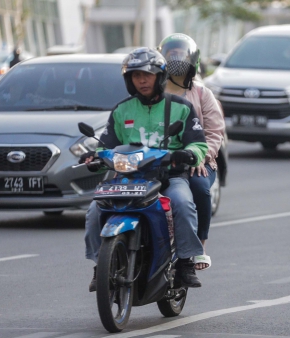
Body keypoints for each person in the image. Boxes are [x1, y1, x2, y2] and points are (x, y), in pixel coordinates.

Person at [81, 47, 208, 291]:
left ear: (160, 77)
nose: (141, 80)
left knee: (182, 203)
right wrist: (94, 158)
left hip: (169, 176)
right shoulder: (122, 110)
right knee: (95, 211)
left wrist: (189, 153)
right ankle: (100, 265)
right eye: (135, 76)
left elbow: (198, 142)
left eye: (147, 75)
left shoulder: (180, 107)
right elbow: (107, 145)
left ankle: (185, 262)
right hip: (127, 177)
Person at [158, 33, 225, 271]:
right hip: (156, 161)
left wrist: (202, 156)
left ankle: (200, 246)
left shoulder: (202, 94)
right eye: (171, 53)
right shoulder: (151, 95)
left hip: (198, 160)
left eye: (181, 54)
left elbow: (215, 132)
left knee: (199, 186)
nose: (176, 59)